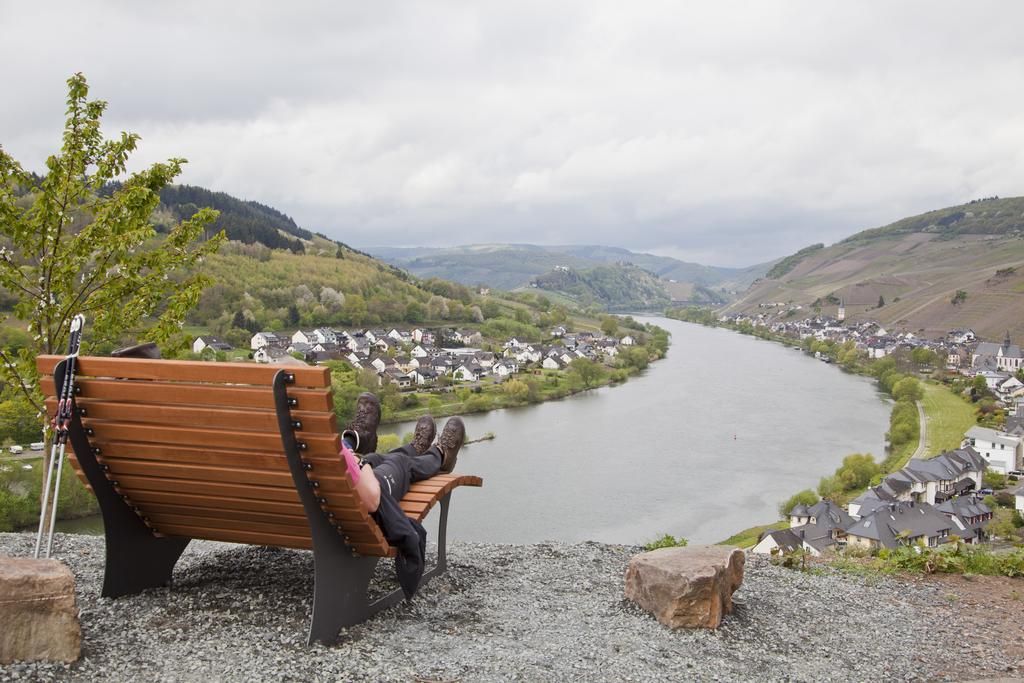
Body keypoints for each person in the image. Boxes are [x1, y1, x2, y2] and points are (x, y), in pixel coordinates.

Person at [338, 392, 465, 598]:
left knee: (376, 458)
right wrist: (360, 465)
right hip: (352, 505)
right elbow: (371, 500)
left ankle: (364, 441)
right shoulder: (309, 434)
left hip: (314, 507)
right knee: (400, 463)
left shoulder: (274, 440)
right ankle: (440, 455)